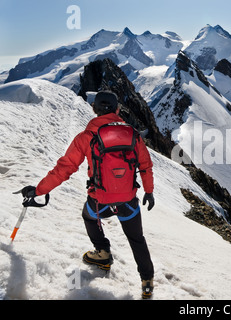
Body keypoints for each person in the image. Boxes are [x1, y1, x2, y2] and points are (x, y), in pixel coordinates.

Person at [20, 91, 156, 299]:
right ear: (117, 110)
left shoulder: (87, 137)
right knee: (136, 238)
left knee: (89, 216)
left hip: (99, 200)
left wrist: (39, 190)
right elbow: (145, 165)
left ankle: (102, 252)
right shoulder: (133, 135)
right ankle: (147, 281)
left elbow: (64, 169)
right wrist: (148, 191)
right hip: (128, 200)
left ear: (94, 110)